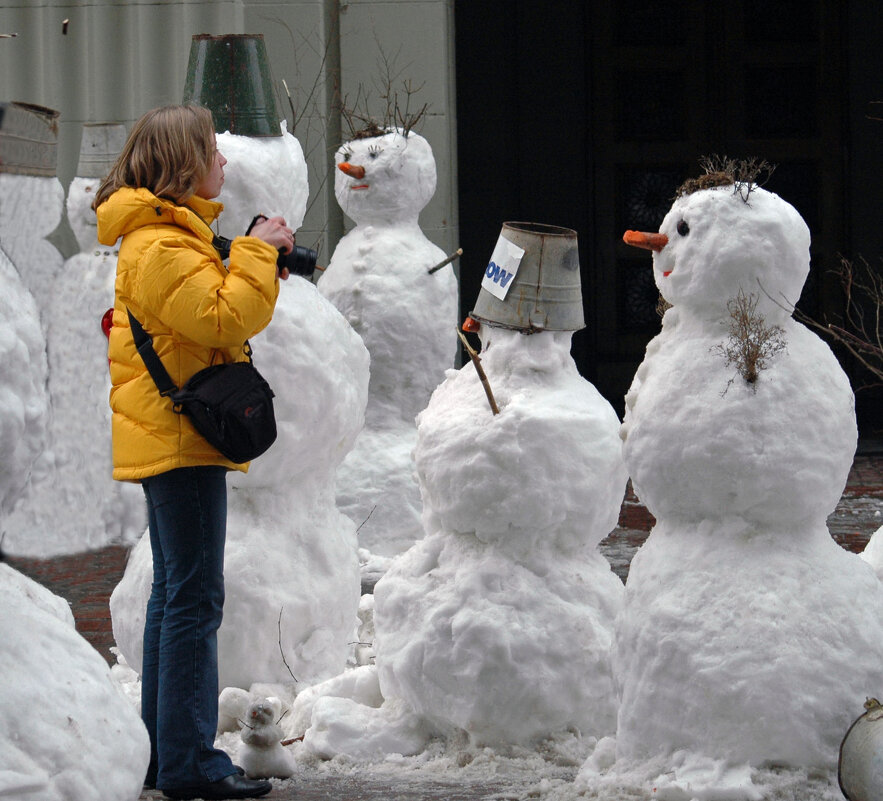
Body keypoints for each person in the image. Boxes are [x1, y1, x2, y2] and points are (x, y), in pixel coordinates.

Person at [95, 104, 293, 800]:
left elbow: (201, 318)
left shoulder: (163, 238)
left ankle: (162, 751)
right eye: (212, 152)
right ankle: (187, 762)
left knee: (177, 595)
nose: (224, 162)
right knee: (193, 599)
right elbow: (224, 316)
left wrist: (244, 258)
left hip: (170, 434)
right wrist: (260, 250)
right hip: (179, 441)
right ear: (184, 164)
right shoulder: (161, 244)